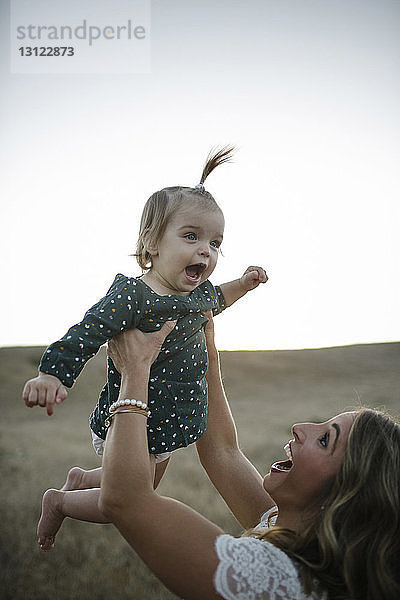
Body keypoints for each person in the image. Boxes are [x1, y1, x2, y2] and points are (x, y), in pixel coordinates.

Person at [23, 146, 268, 551]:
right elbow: (88, 330)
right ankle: (60, 501)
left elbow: (217, 300)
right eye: (191, 236)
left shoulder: (196, 293)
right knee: (127, 501)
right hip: (135, 417)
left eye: (215, 242)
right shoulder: (133, 296)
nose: (206, 250)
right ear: (152, 242)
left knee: (141, 484)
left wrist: (243, 283)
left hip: (172, 417)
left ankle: (83, 479)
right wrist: (52, 372)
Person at [96, 316, 399, 600]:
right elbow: (222, 452)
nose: (300, 428)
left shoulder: (273, 581)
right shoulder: (283, 527)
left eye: (324, 440)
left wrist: (135, 369)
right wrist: (204, 356)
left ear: (345, 495)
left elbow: (126, 499)